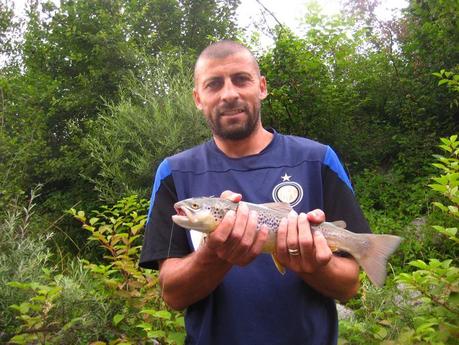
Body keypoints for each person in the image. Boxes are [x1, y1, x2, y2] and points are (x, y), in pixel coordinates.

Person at [140, 40, 371, 345]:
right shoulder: (173, 173)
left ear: (261, 87)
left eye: (241, 79)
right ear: (198, 98)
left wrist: (316, 266)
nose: (229, 93)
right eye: (213, 84)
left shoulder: (319, 160)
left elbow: (349, 286)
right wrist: (215, 255)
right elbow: (173, 294)